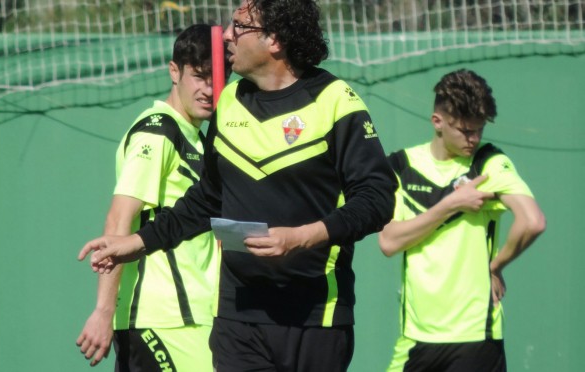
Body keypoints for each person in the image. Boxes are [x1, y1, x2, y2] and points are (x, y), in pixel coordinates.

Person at [79, 1, 398, 371]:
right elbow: (206, 200)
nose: (226, 35)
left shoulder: (336, 101)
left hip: (318, 316)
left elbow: (377, 199)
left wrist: (300, 238)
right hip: (238, 317)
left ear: (274, 40)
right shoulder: (229, 102)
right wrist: (137, 242)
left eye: (239, 26)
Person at [76, 24, 230, 372]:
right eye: (199, 76)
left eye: (216, 78)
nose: (208, 89)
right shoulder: (157, 131)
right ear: (174, 71)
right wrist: (103, 311)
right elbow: (119, 221)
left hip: (196, 317)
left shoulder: (199, 140)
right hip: (158, 319)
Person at [379, 69, 546, 372]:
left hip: (476, 336)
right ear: (437, 122)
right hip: (416, 336)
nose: (474, 138)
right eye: (465, 131)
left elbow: (533, 221)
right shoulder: (401, 165)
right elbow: (389, 242)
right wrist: (451, 204)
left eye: (479, 129)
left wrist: (495, 267)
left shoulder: (489, 163)